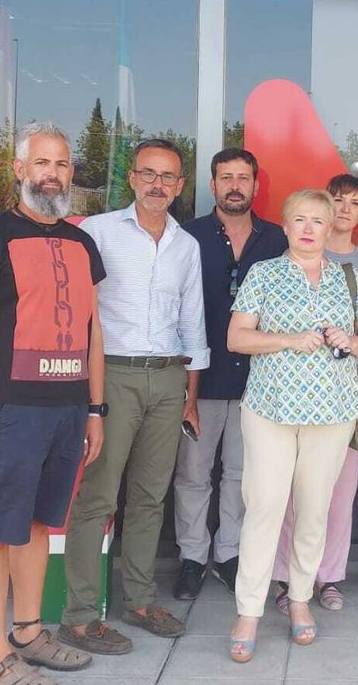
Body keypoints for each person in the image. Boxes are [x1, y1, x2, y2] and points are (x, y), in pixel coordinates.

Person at [0, 121, 102, 683]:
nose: (53, 173)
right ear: (20, 170)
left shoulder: (84, 243)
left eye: (62, 164)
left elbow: (92, 333)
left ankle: (30, 632)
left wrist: (95, 408)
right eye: (42, 163)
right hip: (8, 411)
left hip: (66, 410)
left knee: (38, 524)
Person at [226, 189, 358, 663]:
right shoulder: (265, 273)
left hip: (332, 413)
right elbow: (237, 338)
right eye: (301, 220)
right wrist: (288, 340)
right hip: (270, 410)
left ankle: (299, 601)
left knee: (315, 511)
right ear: (286, 225)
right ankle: (249, 611)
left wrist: (351, 341)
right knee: (265, 508)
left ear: (333, 222)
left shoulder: (349, 278)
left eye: (319, 219)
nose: (311, 228)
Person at [64, 139, 209, 651]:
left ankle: (140, 600)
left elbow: (192, 322)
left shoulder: (185, 245)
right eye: (149, 174)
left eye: (168, 177)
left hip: (168, 379)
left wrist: (189, 393)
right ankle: (80, 615)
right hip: (112, 376)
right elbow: (78, 312)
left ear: (179, 186)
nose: (157, 185)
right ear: (131, 178)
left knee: (150, 497)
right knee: (99, 496)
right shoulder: (98, 233)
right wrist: (87, 397)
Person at [172, 148, 289, 601]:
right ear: (213, 184)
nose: (235, 185)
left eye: (243, 177)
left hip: (259, 383)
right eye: (226, 177)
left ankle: (230, 554)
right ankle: (191, 556)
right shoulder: (187, 237)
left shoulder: (278, 240)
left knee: (242, 475)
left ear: (256, 185)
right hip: (198, 379)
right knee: (193, 474)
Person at [270, 173, 358, 612]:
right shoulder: (277, 268)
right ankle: (285, 578)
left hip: (344, 395)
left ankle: (328, 577)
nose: (340, 211)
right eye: (333, 202)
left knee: (339, 493)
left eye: (351, 203)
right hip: (287, 399)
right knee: (288, 497)